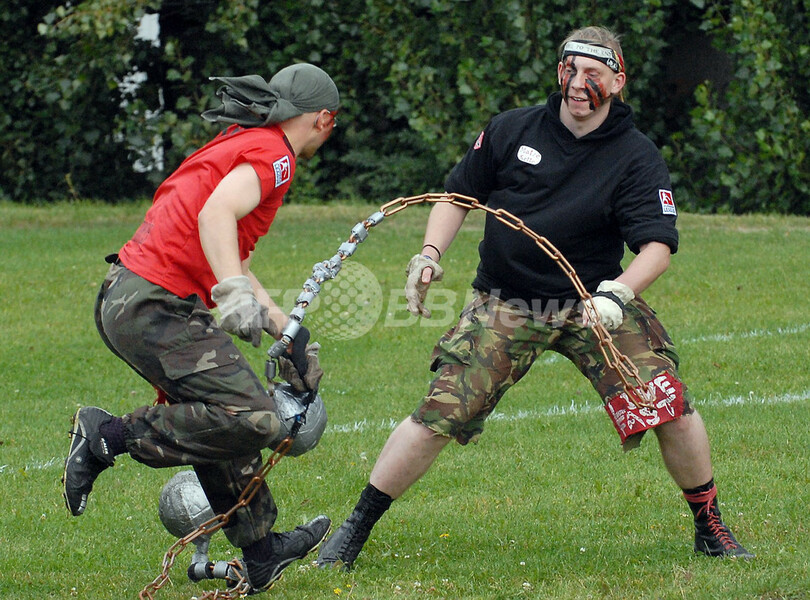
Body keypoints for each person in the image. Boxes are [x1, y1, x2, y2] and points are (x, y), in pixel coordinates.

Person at [317, 26, 753, 571]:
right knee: (441, 412)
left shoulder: (636, 156)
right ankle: (353, 531)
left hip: (594, 302)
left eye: (593, 73)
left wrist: (617, 295)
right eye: (570, 69)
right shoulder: (511, 128)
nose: (578, 83)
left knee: (669, 405)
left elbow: (657, 246)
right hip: (506, 299)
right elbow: (457, 197)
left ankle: (710, 528)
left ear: (618, 81)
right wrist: (428, 253)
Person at [62, 63, 339, 594]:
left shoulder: (245, 142)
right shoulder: (275, 154)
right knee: (254, 417)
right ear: (324, 118)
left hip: (134, 297)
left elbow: (229, 247)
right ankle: (106, 437)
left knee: (224, 418)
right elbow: (216, 216)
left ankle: (261, 555)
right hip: (154, 303)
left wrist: (287, 331)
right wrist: (232, 296)